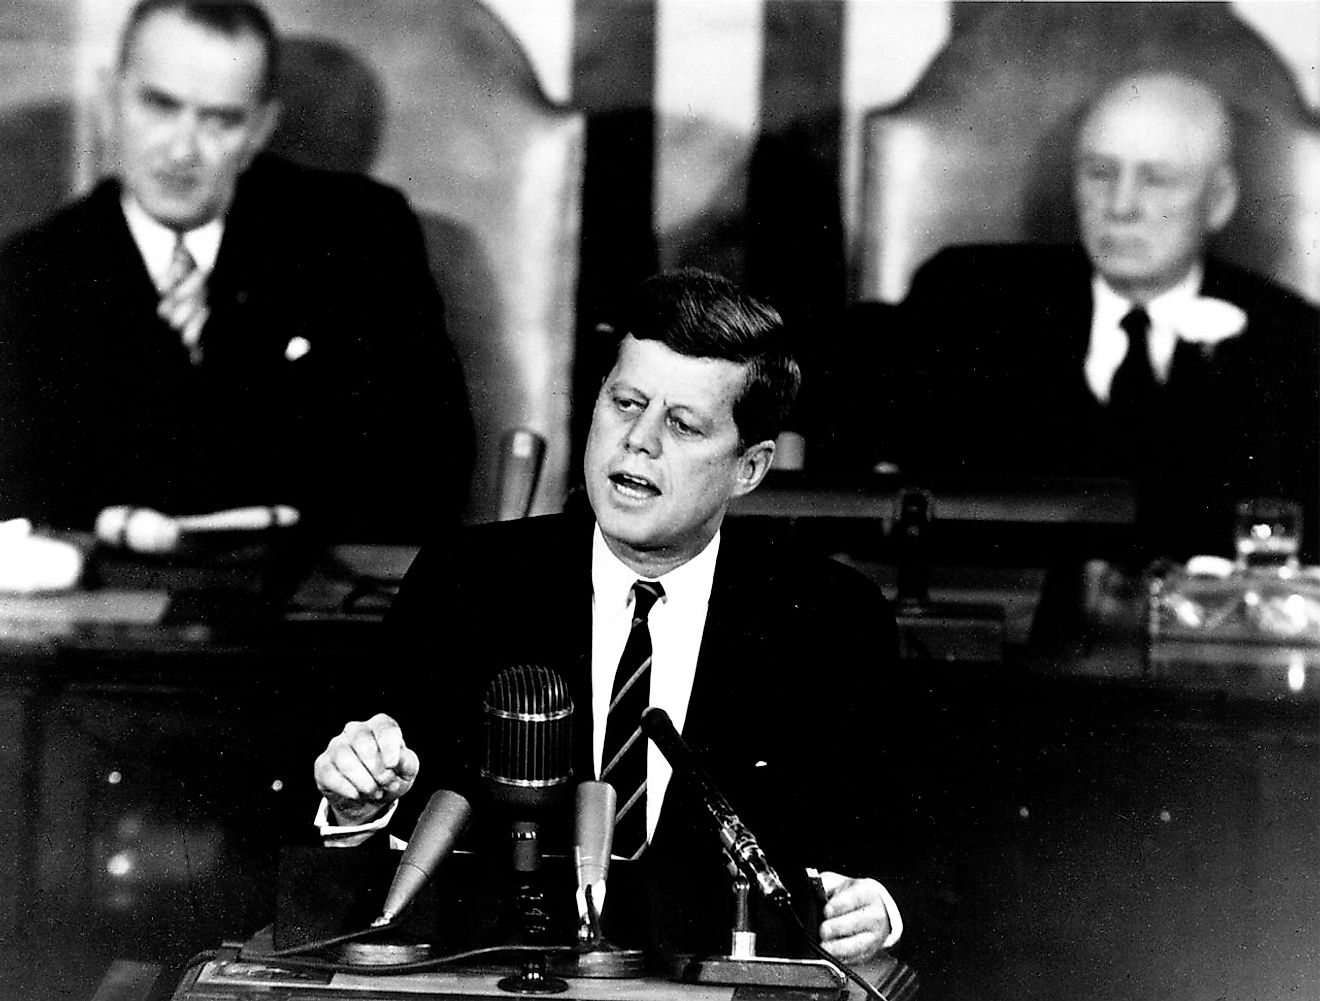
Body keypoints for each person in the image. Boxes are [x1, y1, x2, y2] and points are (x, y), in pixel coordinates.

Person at [311, 269, 919, 965]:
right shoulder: (466, 582)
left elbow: (898, 849)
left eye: (683, 424)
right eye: (625, 402)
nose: (639, 440)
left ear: (749, 467)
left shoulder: (828, 619)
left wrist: (877, 906)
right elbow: (366, 849)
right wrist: (358, 808)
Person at [0, 0, 471, 541]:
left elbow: (428, 466)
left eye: (220, 120)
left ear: (261, 128)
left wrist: (242, 351)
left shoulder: (360, 236)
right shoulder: (30, 273)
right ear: (111, 101)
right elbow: (29, 497)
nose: (182, 150)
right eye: (158, 105)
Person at [848, 70, 1319, 561]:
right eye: (1100, 172)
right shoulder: (966, 298)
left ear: (1218, 200)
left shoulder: (1295, 341)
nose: (1121, 206)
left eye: (1156, 179)